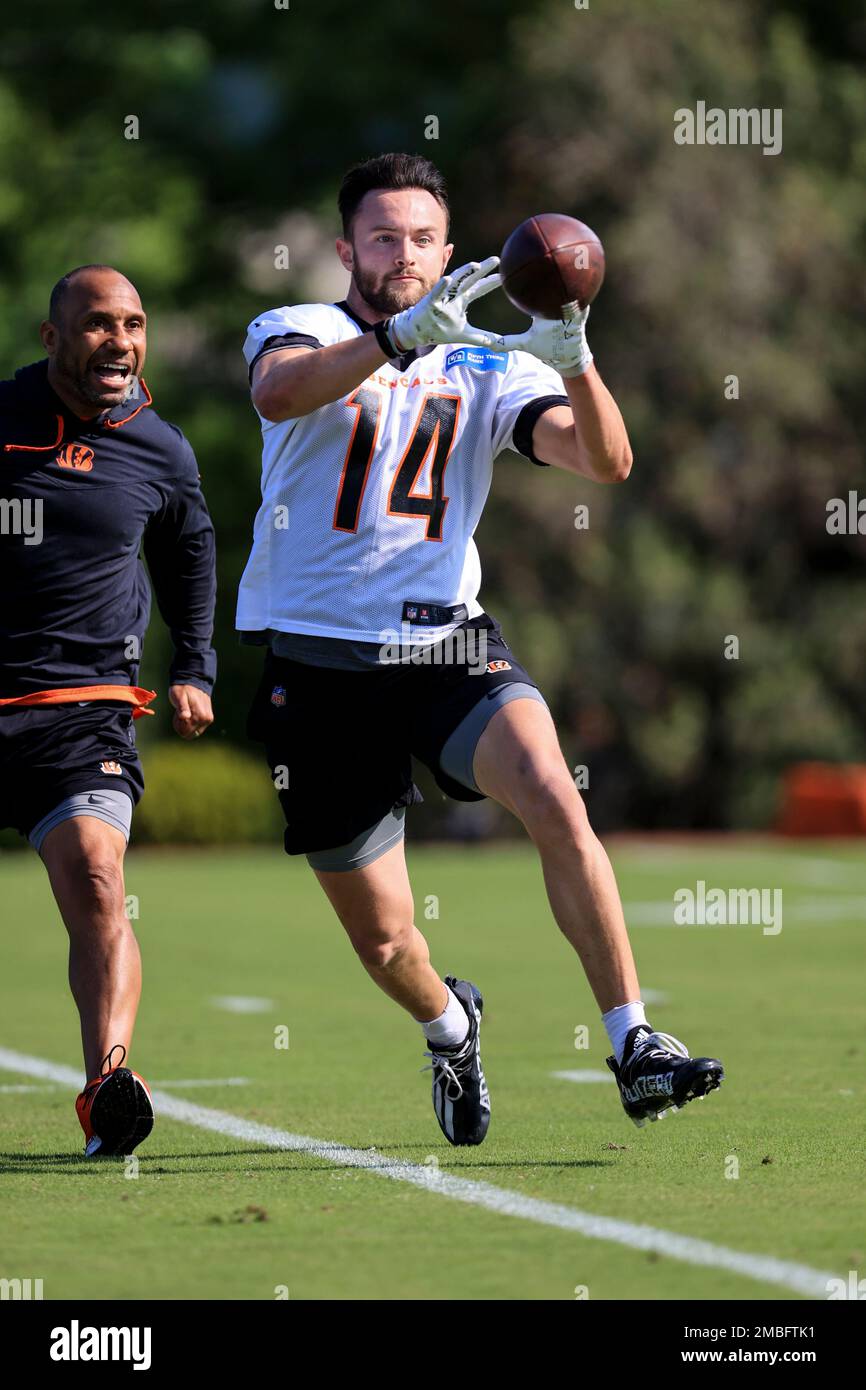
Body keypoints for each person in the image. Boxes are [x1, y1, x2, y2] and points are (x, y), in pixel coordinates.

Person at [238, 154, 723, 1145]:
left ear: (450, 251)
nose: (403, 254)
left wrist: (573, 353)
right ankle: (449, 1024)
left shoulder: (487, 359)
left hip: (442, 648)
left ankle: (634, 1044)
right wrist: (392, 338)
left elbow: (606, 460)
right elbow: (281, 394)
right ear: (344, 250)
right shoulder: (307, 329)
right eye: (382, 236)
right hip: (319, 667)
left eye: (421, 238)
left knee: (552, 792)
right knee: (384, 940)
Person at [0, 265, 217, 1156]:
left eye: (132, 323)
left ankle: (108, 1090)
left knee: (97, 876)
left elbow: (191, 552)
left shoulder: (160, 446)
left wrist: (196, 664)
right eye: (97, 324)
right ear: (53, 338)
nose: (119, 341)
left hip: (83, 711)